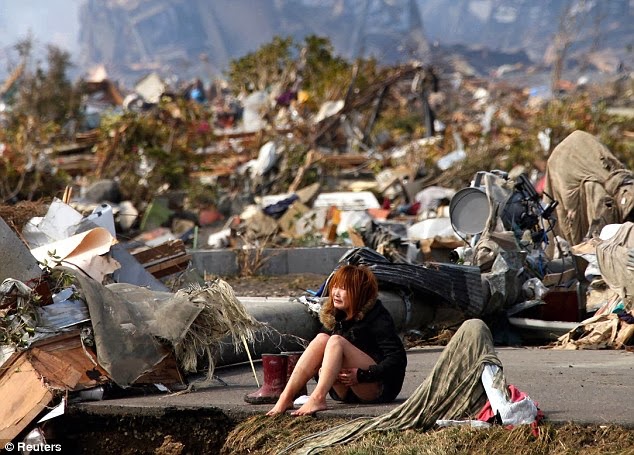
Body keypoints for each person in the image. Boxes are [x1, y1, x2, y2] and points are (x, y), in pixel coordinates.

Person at [266, 264, 407, 416]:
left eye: (344, 288)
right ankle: (286, 396)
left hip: (376, 388)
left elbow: (397, 359)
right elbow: (317, 359)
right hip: (343, 392)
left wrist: (362, 375)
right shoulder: (335, 316)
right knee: (322, 339)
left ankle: (318, 398)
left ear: (360, 292)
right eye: (335, 287)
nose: (336, 293)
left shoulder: (377, 317)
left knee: (336, 341)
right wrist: (321, 372)